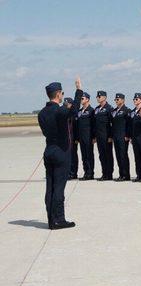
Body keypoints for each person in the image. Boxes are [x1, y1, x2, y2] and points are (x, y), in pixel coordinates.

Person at [38, 78, 81, 229]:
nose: (62, 95)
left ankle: (51, 219)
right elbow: (74, 110)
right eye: (62, 92)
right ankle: (59, 219)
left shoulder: (42, 113)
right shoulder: (59, 110)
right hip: (61, 152)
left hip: (49, 150)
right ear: (57, 94)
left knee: (50, 186)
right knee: (59, 188)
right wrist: (78, 91)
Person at [93, 90, 114, 181]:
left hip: (106, 136)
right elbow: (94, 124)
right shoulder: (96, 109)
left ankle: (109, 174)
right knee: (101, 155)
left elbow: (112, 123)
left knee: (108, 155)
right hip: (99, 136)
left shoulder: (109, 108)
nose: (98, 98)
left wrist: (110, 136)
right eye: (97, 97)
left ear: (105, 97)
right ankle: (104, 173)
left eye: (99, 96)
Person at [111, 93, 131, 182]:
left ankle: (126, 175)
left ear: (123, 100)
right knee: (118, 156)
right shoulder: (114, 111)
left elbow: (129, 124)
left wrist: (127, 135)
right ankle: (121, 174)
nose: (116, 101)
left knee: (123, 155)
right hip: (116, 136)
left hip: (123, 136)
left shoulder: (126, 110)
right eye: (115, 99)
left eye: (118, 99)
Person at [76, 91, 94, 180]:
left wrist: (94, 137)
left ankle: (90, 173)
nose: (80, 100)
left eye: (82, 98)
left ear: (87, 100)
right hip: (81, 137)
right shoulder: (79, 111)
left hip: (88, 136)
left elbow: (94, 125)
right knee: (83, 156)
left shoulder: (91, 111)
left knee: (89, 155)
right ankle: (86, 172)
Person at [64, 97, 78, 180]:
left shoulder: (74, 115)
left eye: (67, 104)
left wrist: (76, 138)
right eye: (65, 104)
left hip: (73, 138)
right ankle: (68, 172)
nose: (66, 106)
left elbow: (77, 128)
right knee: (66, 157)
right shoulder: (64, 115)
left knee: (73, 156)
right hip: (66, 139)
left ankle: (73, 173)